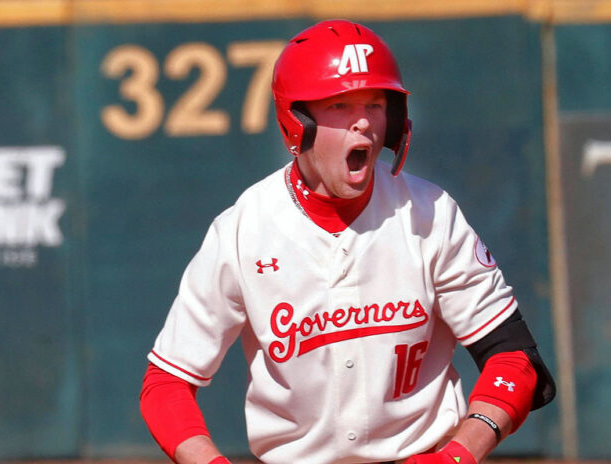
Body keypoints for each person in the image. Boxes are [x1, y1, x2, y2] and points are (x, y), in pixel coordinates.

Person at [140, 19, 555, 464]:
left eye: (376, 104)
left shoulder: (430, 213)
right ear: (295, 122)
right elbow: (165, 384)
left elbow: (514, 359)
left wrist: (459, 453)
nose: (363, 122)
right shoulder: (243, 230)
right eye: (340, 105)